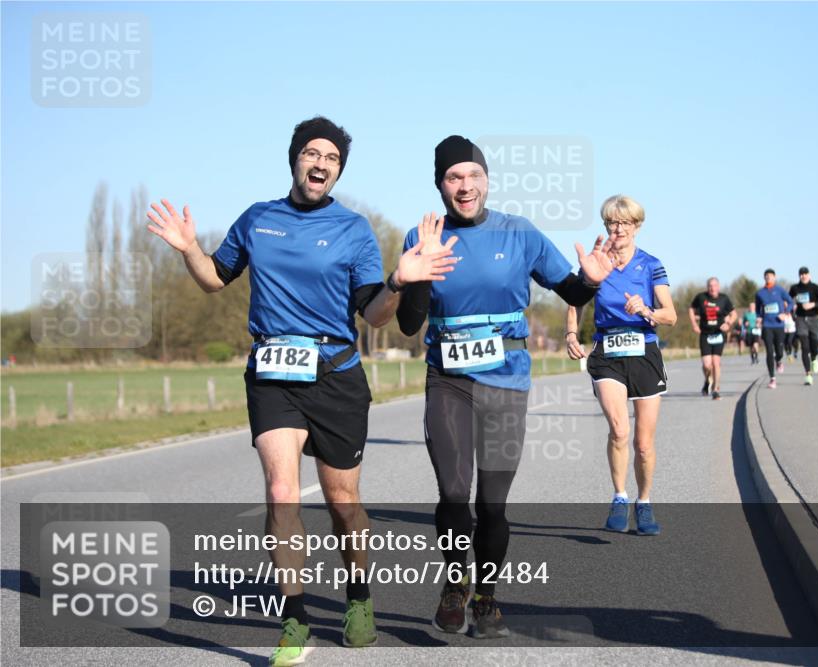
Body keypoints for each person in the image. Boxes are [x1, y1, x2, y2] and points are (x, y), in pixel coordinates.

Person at [146, 117, 458, 665]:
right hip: (272, 375)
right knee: (281, 492)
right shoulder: (258, 218)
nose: (321, 163)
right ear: (294, 159)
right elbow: (214, 278)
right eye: (312, 153)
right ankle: (294, 618)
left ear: (338, 171)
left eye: (331, 158)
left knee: (343, 505)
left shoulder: (354, 229)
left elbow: (376, 316)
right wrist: (189, 248)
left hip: (336, 377)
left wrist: (398, 281)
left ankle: (358, 596)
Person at [396, 136, 616, 639]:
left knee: (492, 505)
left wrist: (591, 281)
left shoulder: (519, 233)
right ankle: (456, 585)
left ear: (487, 180)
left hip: (506, 382)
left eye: (474, 175)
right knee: (454, 494)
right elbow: (409, 324)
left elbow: (569, 288)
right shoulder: (422, 235)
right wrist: (421, 272)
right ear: (440, 185)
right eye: (454, 177)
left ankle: (487, 599)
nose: (465, 186)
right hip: (448, 380)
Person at [567, 195, 676, 532]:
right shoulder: (597, 263)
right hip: (608, 353)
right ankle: (619, 497)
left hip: (644, 352)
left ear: (637, 226)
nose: (618, 229)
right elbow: (575, 301)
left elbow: (670, 315)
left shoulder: (651, 265)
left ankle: (644, 503)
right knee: (619, 430)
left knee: (643, 444)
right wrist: (571, 333)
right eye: (612, 222)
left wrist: (646, 310)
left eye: (625, 223)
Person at [689, 277, 735, 400]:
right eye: (710, 285)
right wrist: (694, 324)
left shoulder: (724, 299)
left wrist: (728, 324)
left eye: (714, 285)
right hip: (705, 334)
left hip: (719, 334)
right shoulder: (701, 297)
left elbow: (734, 314)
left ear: (718, 287)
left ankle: (716, 389)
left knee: (716, 362)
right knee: (706, 365)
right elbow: (691, 309)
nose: (712, 288)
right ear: (707, 287)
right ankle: (707, 380)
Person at [754, 269, 794, 389]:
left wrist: (785, 313)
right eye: (766, 276)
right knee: (769, 352)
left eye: (770, 276)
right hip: (767, 325)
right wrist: (759, 317)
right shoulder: (760, 293)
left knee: (779, 351)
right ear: (764, 278)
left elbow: (791, 302)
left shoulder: (780, 290)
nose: (768, 278)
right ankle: (772, 379)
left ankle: (779, 361)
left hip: (779, 325)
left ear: (774, 277)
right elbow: (757, 309)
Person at [788, 266, 818, 385]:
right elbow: (787, 301)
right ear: (799, 276)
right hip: (800, 319)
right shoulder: (795, 288)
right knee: (805, 347)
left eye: (805, 274)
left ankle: (814, 357)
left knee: (815, 344)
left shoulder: (814, 287)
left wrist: (813, 305)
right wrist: (791, 310)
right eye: (801, 274)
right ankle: (808, 375)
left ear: (809, 275)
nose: (803, 276)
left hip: (813, 318)